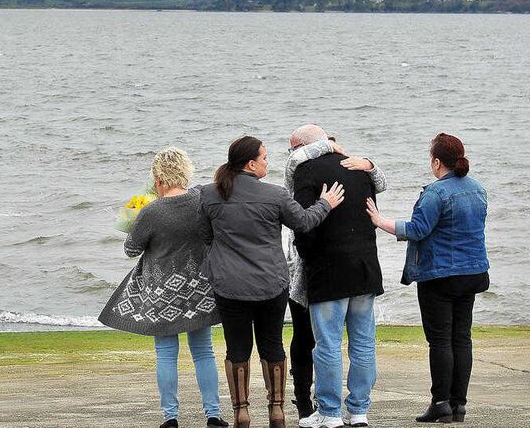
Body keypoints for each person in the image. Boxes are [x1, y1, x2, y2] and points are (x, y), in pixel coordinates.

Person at [199, 136, 345, 428]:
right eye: (264, 157)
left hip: (229, 285)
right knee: (272, 346)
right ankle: (276, 411)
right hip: (270, 283)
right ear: (251, 164)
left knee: (236, 349)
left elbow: (205, 237)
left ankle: (241, 411)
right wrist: (325, 204)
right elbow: (304, 222)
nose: (268, 162)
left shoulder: (208, 194)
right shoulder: (275, 195)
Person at [99, 147, 229, 428]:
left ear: (158, 177)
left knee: (166, 354)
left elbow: (130, 250)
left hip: (162, 293)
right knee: (204, 351)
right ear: (186, 172)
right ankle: (213, 414)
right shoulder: (201, 200)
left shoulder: (151, 211)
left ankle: (170, 418)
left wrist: (133, 215)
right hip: (199, 288)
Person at [365, 133, 489, 424]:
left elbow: (417, 229)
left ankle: (440, 403)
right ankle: (459, 405)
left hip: (440, 276)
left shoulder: (435, 193)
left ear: (436, 162)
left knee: (440, 341)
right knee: (462, 338)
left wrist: (379, 221)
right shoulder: (478, 189)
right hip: (472, 273)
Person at [283, 126, 388, 420]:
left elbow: (304, 223)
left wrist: (306, 254)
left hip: (328, 269)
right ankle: (359, 411)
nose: (291, 155)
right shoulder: (358, 168)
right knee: (363, 341)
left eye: (292, 149)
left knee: (328, 343)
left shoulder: (306, 171)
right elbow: (369, 212)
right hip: (365, 266)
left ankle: (329, 412)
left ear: (303, 147)